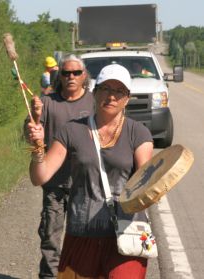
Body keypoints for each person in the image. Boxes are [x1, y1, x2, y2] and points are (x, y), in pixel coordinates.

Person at [28, 64, 153, 278]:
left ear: (127, 97)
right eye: (105, 88)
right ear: (95, 92)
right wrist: (38, 147)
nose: (111, 96)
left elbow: (146, 182)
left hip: (126, 232)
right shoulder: (72, 130)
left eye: (118, 91)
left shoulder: (139, 133)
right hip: (82, 232)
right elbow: (40, 176)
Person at [25, 54, 94, 279]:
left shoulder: (94, 102)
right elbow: (29, 134)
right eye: (66, 73)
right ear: (59, 76)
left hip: (86, 186)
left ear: (85, 76)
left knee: (84, 241)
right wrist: (33, 122)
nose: (71, 77)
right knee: (51, 240)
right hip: (54, 184)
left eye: (76, 72)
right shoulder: (46, 103)